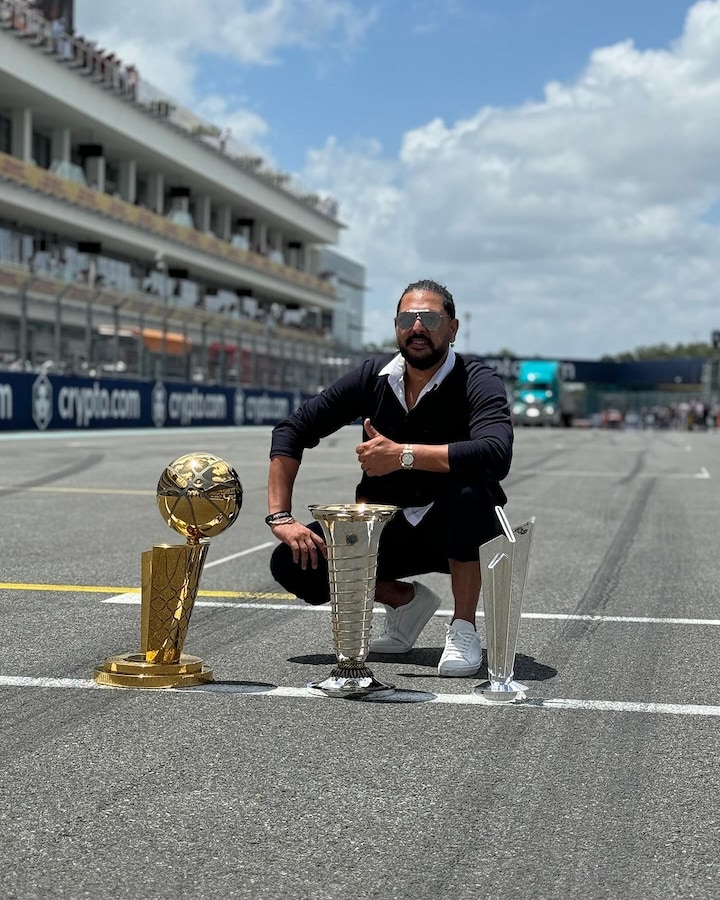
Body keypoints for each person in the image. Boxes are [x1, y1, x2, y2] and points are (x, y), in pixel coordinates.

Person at [266, 279, 513, 676]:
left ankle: (464, 627)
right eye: (407, 319)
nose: (418, 328)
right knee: (294, 562)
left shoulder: (476, 380)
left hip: (458, 531)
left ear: (452, 328)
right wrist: (281, 517)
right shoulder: (372, 376)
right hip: (389, 526)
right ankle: (405, 601)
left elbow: (496, 453)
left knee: (469, 493)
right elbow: (292, 430)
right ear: (396, 327)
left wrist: (403, 455)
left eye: (430, 318)